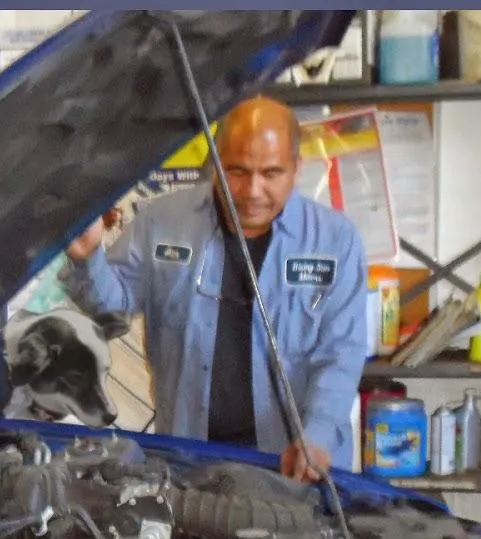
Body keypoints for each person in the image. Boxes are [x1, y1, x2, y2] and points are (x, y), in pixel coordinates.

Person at [60, 95, 369, 480]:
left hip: (295, 469)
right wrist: (89, 256)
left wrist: (317, 436)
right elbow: (113, 309)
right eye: (237, 171)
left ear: (296, 168)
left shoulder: (335, 241)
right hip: (188, 464)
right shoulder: (161, 222)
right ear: (215, 162)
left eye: (271, 173)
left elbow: (340, 354)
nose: (253, 190)